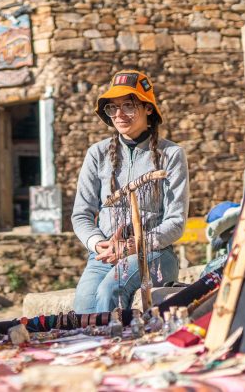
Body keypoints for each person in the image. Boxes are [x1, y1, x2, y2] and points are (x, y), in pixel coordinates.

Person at [72, 70, 189, 313]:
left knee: (110, 291)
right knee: (83, 305)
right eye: (112, 108)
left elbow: (176, 221)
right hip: (104, 255)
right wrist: (98, 244)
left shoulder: (171, 155)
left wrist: (133, 245)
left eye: (128, 105)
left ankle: (116, 349)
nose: (119, 114)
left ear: (148, 108)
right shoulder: (97, 154)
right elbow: (81, 214)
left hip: (154, 253)